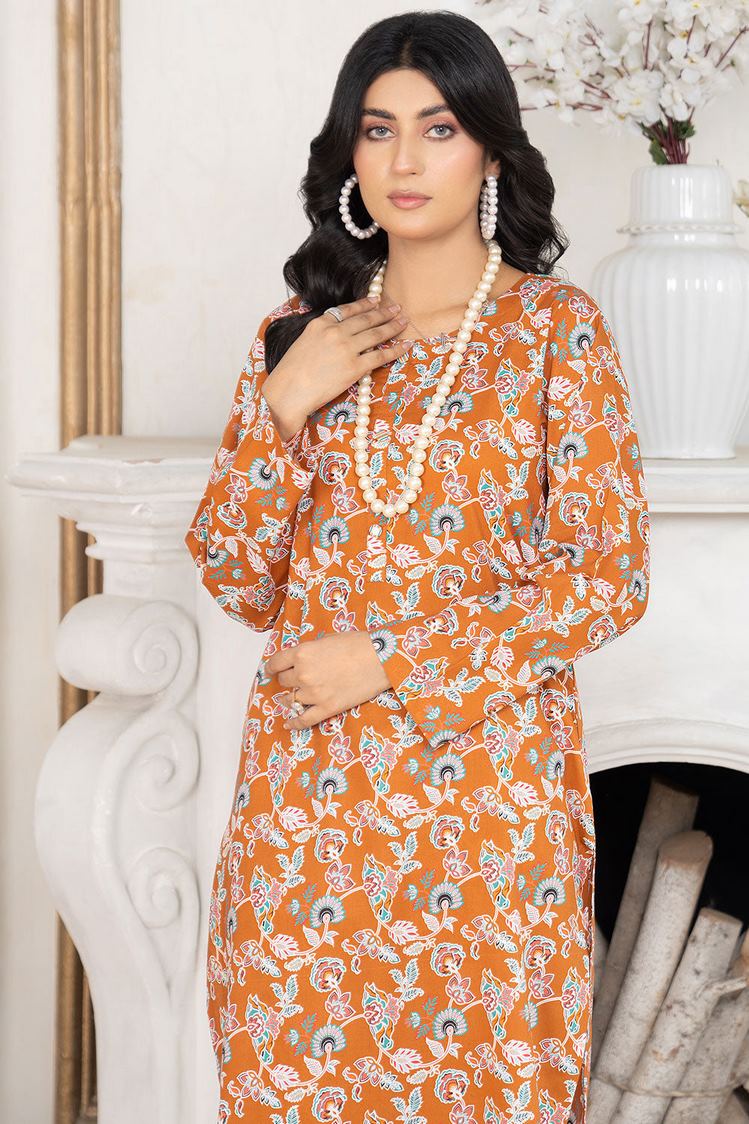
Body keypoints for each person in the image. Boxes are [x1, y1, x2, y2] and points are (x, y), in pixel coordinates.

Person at [184, 10, 650, 1124]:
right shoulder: (299, 334)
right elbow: (241, 581)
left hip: (486, 801)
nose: (403, 159)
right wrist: (281, 409)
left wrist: (388, 657)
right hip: (309, 804)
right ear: (347, 152)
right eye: (376, 128)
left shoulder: (556, 332)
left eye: (437, 129)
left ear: (488, 149)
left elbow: (606, 576)